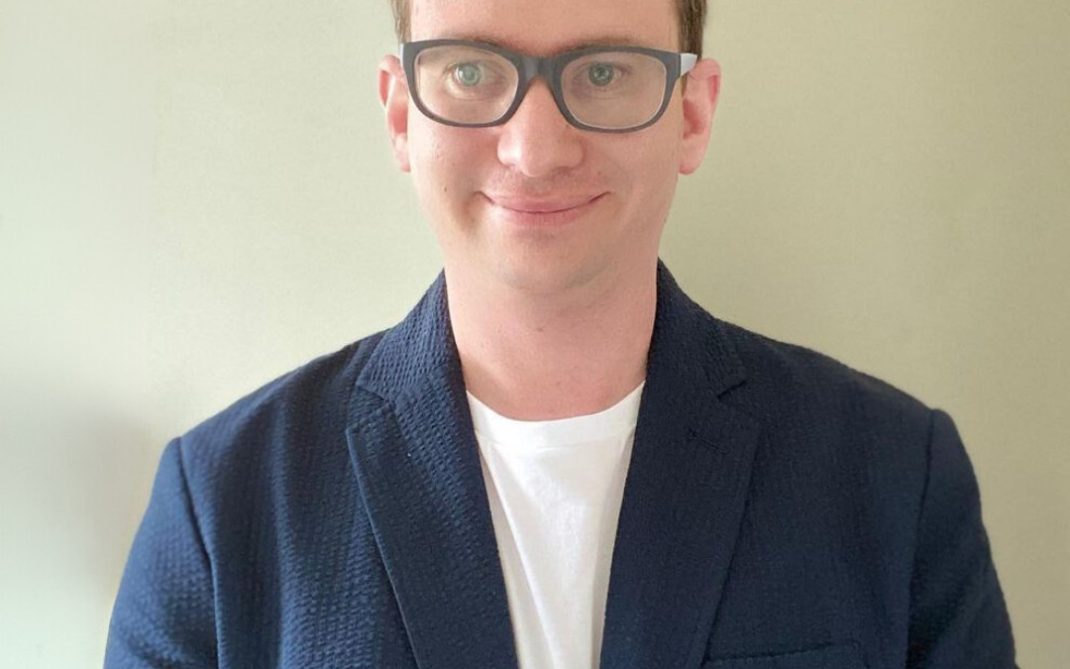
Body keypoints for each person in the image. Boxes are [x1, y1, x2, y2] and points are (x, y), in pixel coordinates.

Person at [105, 0, 1018, 667]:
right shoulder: (221, 506)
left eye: (605, 71)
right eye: (471, 71)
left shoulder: (895, 478)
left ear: (693, 113)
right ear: (401, 113)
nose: (535, 149)